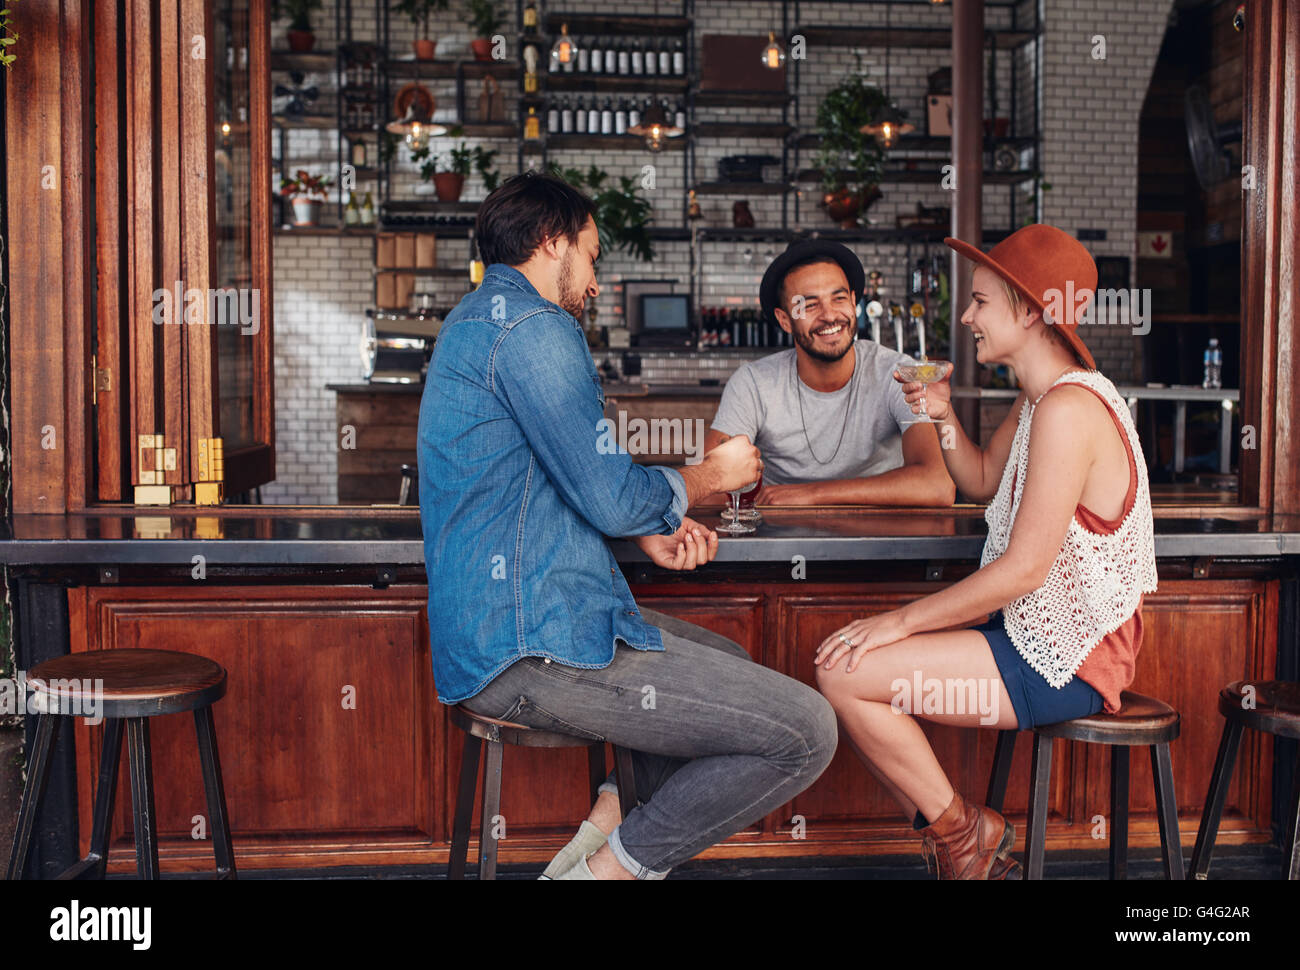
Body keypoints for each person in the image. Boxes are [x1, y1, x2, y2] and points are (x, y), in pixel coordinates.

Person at [417, 171, 838, 880]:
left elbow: (569, 472)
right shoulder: (535, 327)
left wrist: (647, 522)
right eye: (591, 255)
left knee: (727, 662)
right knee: (807, 732)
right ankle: (607, 873)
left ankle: (603, 826)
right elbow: (607, 493)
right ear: (553, 243)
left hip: (500, 630)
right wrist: (711, 478)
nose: (594, 279)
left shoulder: (478, 319)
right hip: (529, 645)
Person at [811, 224, 1158, 879]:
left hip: (1068, 659)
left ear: (1031, 310)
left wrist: (898, 620)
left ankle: (964, 837)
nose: (966, 316)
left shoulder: (1069, 410)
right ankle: (964, 836)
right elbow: (976, 480)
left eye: (981, 301)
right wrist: (941, 414)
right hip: (1030, 639)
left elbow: (1025, 569)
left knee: (844, 674)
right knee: (844, 669)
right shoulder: (1039, 403)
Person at [703, 240, 955, 506]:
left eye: (839, 298)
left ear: (854, 301)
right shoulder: (753, 383)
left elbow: (937, 485)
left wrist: (812, 494)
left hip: (879, 540)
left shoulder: (899, 374)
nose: (830, 315)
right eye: (809, 305)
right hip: (780, 539)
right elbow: (710, 484)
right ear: (785, 319)